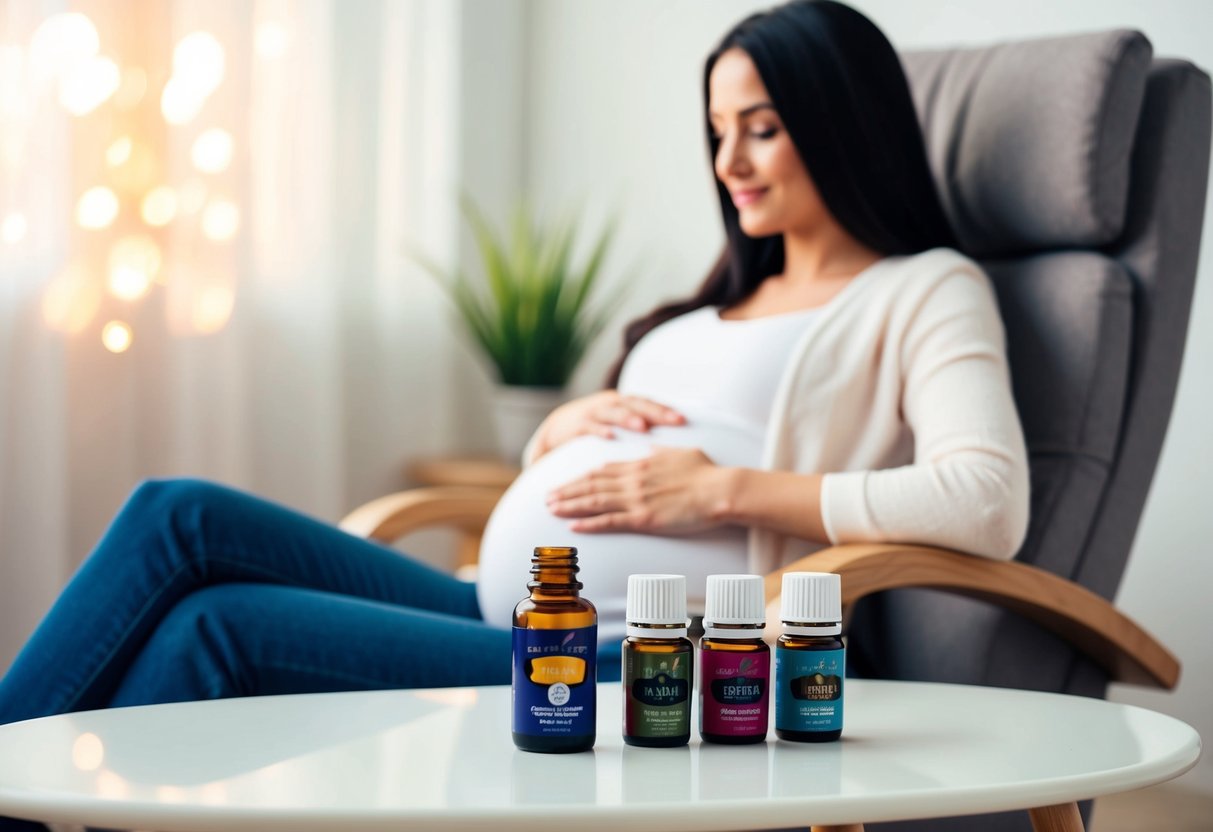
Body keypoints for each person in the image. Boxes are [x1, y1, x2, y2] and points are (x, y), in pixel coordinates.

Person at [0, 2, 1027, 825]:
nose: (731, 162)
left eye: (762, 127)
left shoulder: (919, 289)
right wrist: (554, 434)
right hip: (510, 608)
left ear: (843, 122)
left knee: (215, 627)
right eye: (718, 132)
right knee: (176, 513)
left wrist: (722, 489)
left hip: (646, 661)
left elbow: (985, 500)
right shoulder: (714, 296)